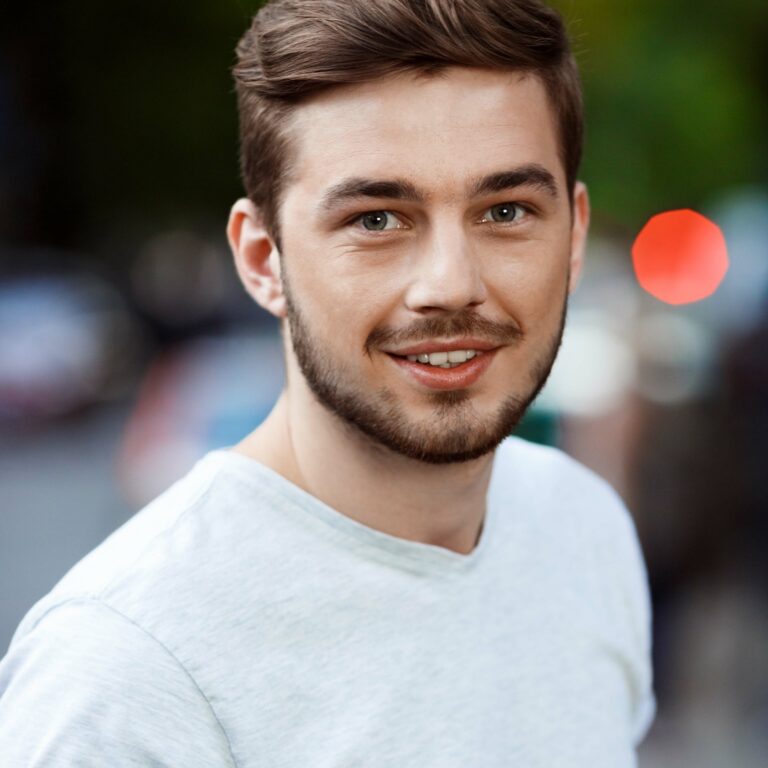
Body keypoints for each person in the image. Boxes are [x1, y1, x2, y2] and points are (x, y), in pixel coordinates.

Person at [0, 0, 656, 764]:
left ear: (573, 238)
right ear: (260, 260)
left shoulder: (584, 530)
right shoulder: (127, 668)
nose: (450, 285)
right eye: (377, 219)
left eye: (505, 210)